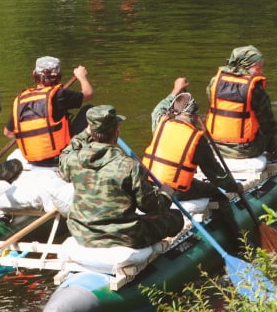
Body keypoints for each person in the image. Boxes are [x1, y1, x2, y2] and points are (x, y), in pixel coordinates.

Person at [59, 104, 185, 249]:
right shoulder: (129, 166)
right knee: (175, 218)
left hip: (82, 233)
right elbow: (150, 207)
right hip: (123, 236)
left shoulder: (73, 160)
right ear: (116, 130)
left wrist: (86, 133)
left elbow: (66, 153)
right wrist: (165, 194)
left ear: (92, 130)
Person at [143, 89, 243, 241]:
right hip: (175, 190)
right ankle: (238, 241)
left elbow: (157, 111)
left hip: (149, 185)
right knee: (217, 194)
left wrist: (174, 91)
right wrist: (234, 187)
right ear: (193, 115)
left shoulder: (161, 123)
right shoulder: (196, 139)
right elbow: (216, 175)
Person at [3, 56, 94, 166]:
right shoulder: (60, 95)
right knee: (88, 110)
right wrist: (81, 76)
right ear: (58, 76)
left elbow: (8, 133)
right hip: (59, 157)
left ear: (33, 74)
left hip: (32, 159)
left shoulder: (21, 99)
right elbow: (88, 93)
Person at [204, 45, 277, 159]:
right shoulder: (255, 89)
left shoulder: (215, 81)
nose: (261, 71)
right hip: (244, 150)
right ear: (244, 66)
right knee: (266, 130)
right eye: (258, 68)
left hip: (215, 146)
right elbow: (268, 123)